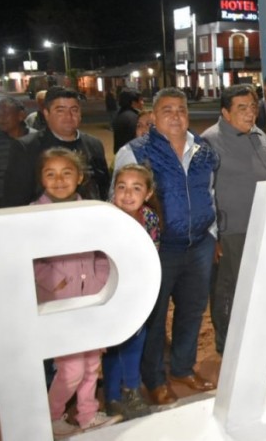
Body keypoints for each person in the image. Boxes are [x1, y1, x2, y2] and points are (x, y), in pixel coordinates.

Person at [112, 87, 218, 405]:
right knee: (155, 318)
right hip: (157, 251)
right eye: (167, 110)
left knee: (192, 311)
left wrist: (213, 233)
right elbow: (118, 203)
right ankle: (155, 379)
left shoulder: (203, 150)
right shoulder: (134, 152)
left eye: (181, 110)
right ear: (154, 116)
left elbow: (211, 193)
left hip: (199, 245)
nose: (176, 116)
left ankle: (183, 369)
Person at [32, 148, 121, 437]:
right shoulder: (32, 214)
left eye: (66, 173)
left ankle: (87, 415)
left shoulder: (92, 211)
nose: (59, 180)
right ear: (41, 178)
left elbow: (104, 250)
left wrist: (101, 279)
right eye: (51, 174)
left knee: (92, 364)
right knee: (71, 370)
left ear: (79, 177)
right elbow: (28, 257)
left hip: (91, 299)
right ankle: (51, 416)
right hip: (58, 303)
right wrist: (52, 281)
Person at [202, 84, 266, 355]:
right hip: (232, 231)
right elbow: (204, 191)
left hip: (265, 227)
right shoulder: (209, 142)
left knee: (260, 287)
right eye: (242, 108)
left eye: (253, 107)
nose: (250, 113)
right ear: (225, 112)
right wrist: (213, 234)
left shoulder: (258, 134)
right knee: (229, 290)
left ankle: (258, 340)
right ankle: (229, 346)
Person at [103, 164, 159, 421]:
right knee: (113, 343)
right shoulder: (105, 217)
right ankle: (114, 395)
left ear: (148, 193)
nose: (127, 194)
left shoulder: (149, 219)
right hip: (109, 293)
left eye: (136, 188)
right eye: (121, 187)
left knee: (135, 340)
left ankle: (130, 389)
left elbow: (152, 257)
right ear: (113, 190)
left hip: (138, 292)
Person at [21, 86, 111, 201]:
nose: (68, 116)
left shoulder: (94, 145)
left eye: (74, 110)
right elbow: (16, 196)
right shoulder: (27, 147)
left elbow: (104, 187)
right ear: (46, 114)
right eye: (60, 111)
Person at [0, 97, 36, 209]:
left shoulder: (36, 139)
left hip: (32, 208)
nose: (1, 118)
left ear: (21, 115)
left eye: (6, 114)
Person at [112, 88, 144, 154]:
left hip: (121, 154)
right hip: (131, 154)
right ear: (133, 103)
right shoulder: (134, 118)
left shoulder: (120, 115)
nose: (143, 103)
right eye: (141, 100)